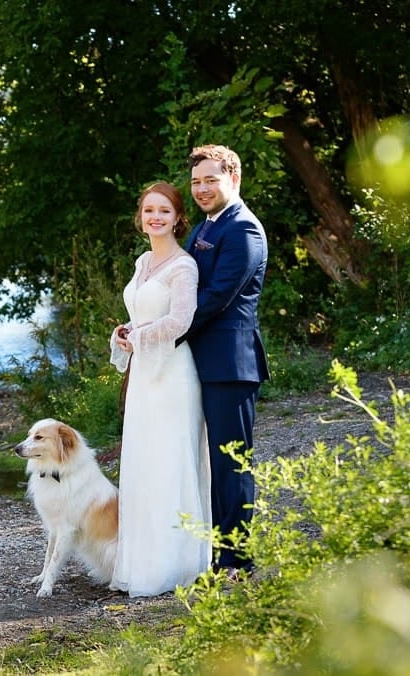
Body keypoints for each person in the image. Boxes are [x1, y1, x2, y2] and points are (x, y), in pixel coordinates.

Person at [108, 181, 212, 597]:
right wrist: (124, 332)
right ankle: (141, 562)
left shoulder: (184, 267)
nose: (156, 217)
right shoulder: (143, 261)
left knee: (170, 461)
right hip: (143, 378)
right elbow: (142, 314)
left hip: (172, 376)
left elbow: (181, 321)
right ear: (141, 216)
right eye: (149, 210)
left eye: (164, 211)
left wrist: (143, 336)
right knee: (143, 461)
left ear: (177, 218)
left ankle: (177, 563)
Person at [183, 144, 269, 578]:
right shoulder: (205, 225)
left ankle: (237, 558)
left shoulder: (243, 230)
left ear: (233, 179)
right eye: (196, 181)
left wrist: (165, 331)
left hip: (230, 366)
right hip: (198, 362)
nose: (202, 188)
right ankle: (212, 551)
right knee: (203, 460)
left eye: (210, 180)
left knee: (230, 462)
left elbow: (216, 297)